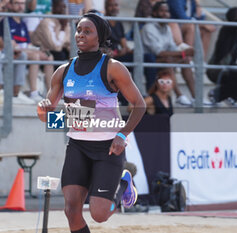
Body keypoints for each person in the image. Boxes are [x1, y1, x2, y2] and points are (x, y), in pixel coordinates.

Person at [37, 13, 146, 232]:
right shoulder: (63, 72)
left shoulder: (113, 68)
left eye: (87, 31)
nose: (80, 35)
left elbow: (139, 104)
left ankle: (124, 182)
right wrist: (43, 111)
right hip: (77, 145)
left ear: (100, 37)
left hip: (108, 146)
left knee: (99, 214)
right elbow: (52, 118)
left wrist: (122, 135)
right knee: (71, 210)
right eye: (78, 30)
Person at [141, 1, 195, 106]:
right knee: (168, 60)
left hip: (163, 57)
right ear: (155, 13)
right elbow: (158, 52)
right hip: (149, 60)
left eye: (167, 11)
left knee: (185, 60)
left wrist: (183, 54)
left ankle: (195, 97)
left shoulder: (167, 27)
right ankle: (179, 96)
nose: (165, 14)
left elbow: (173, 48)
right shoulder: (148, 27)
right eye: (162, 11)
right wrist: (182, 53)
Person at [6, 0, 54, 100]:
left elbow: (29, 44)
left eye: (22, 3)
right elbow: (12, 44)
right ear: (10, 5)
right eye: (17, 3)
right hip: (15, 52)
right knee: (35, 56)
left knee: (49, 56)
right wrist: (32, 50)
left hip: (26, 50)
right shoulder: (7, 21)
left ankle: (51, 93)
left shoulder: (23, 23)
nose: (20, 6)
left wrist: (37, 49)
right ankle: (34, 92)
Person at [207, 7, 237, 106]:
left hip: (229, 68)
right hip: (216, 69)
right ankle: (215, 94)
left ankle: (231, 98)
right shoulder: (228, 28)